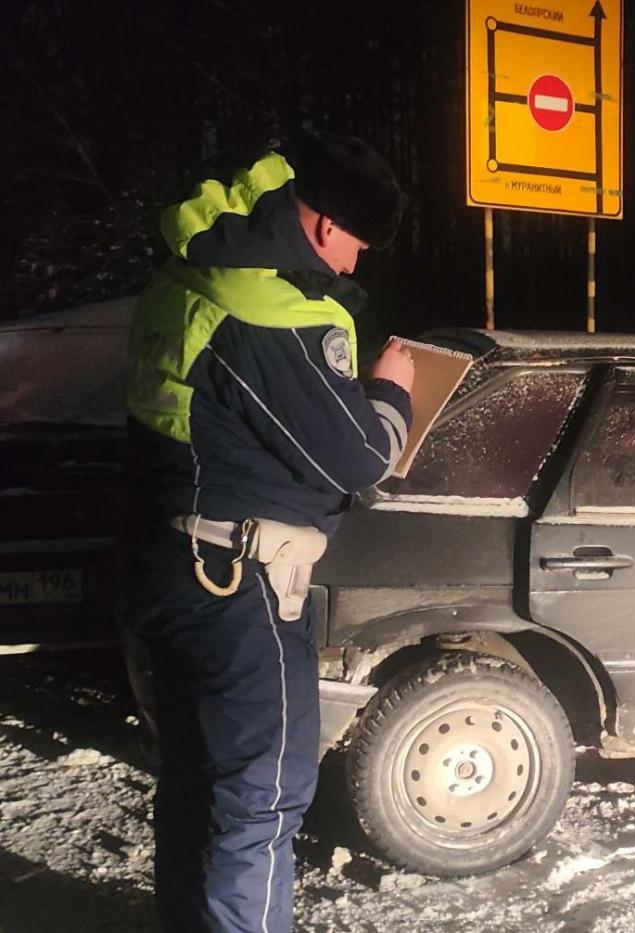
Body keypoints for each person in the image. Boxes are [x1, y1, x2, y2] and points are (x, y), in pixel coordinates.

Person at [123, 129, 415, 933]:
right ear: (324, 226)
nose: (353, 264)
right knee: (262, 795)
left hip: (165, 564)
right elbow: (357, 459)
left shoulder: (186, 280)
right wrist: (390, 392)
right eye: (356, 243)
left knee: (193, 777)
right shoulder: (274, 310)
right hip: (241, 583)